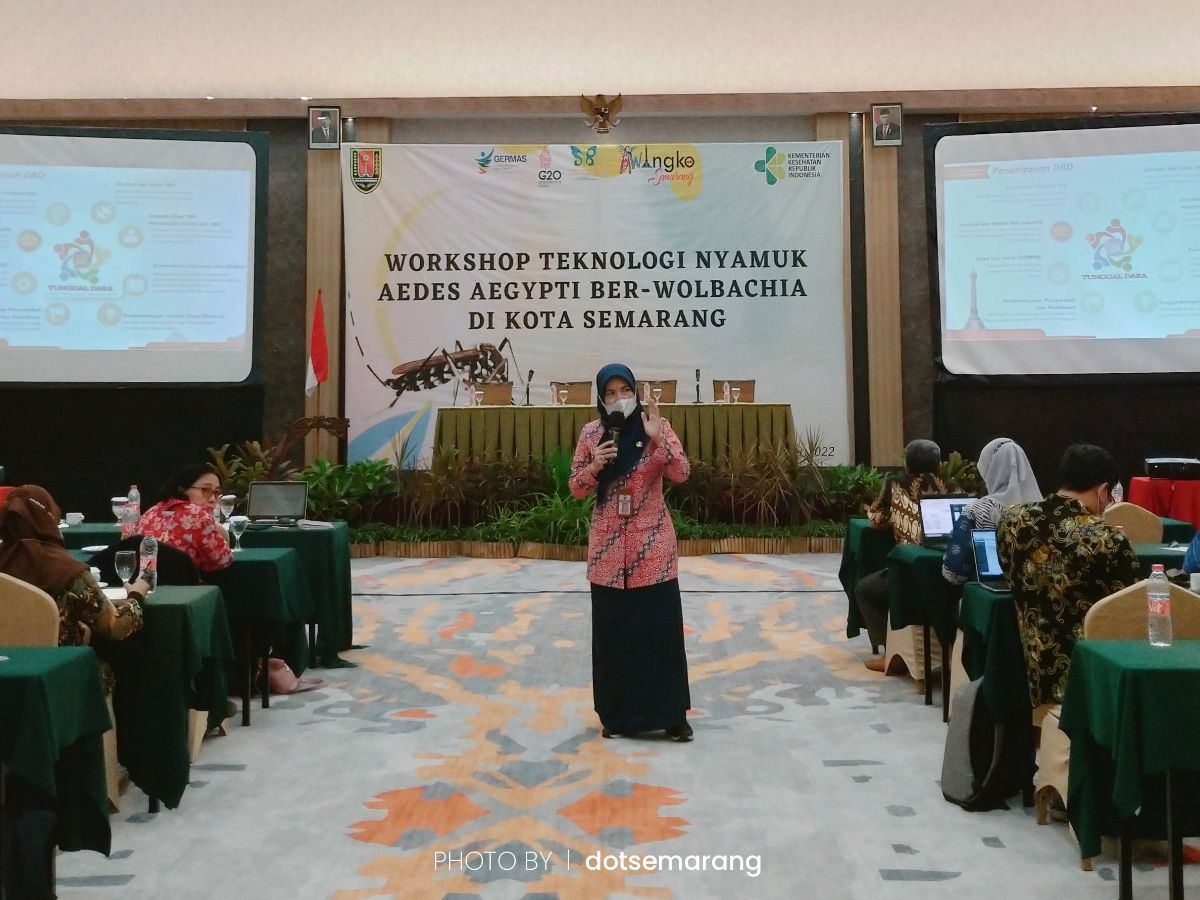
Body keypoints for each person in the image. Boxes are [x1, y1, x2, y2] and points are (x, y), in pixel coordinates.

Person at [569, 363, 693, 741]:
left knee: (659, 635)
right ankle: (617, 716)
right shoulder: (592, 433)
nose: (618, 398)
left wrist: (659, 441)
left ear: (635, 392)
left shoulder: (657, 425)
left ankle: (672, 716)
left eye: (624, 390)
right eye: (610, 393)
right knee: (615, 638)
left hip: (652, 548)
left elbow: (682, 473)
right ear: (600, 397)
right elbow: (576, 487)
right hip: (608, 554)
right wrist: (595, 466)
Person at [996, 444, 1141, 707]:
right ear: (1103, 491)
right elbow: (1128, 611)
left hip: (1031, 669)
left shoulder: (1011, 521)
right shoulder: (1108, 539)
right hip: (1089, 678)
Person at [0, 484, 147, 649]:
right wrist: (136, 595)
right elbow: (116, 627)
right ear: (48, 518)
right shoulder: (67, 570)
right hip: (57, 662)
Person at [855, 439, 949, 671]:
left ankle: (888, 653)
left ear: (907, 464)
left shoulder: (895, 483)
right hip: (949, 573)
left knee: (864, 589)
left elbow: (875, 519)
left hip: (910, 575)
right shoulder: (951, 485)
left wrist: (896, 519)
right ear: (938, 464)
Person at [941, 438, 1042, 584]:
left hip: (988, 592)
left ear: (991, 469)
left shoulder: (978, 510)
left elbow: (953, 573)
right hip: (1033, 592)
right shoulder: (1041, 510)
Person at [137, 463, 234, 574]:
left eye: (216, 493)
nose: (212, 499)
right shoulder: (198, 515)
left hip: (145, 582)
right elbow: (221, 562)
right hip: (183, 583)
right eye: (205, 490)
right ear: (182, 490)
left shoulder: (150, 512)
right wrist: (225, 538)